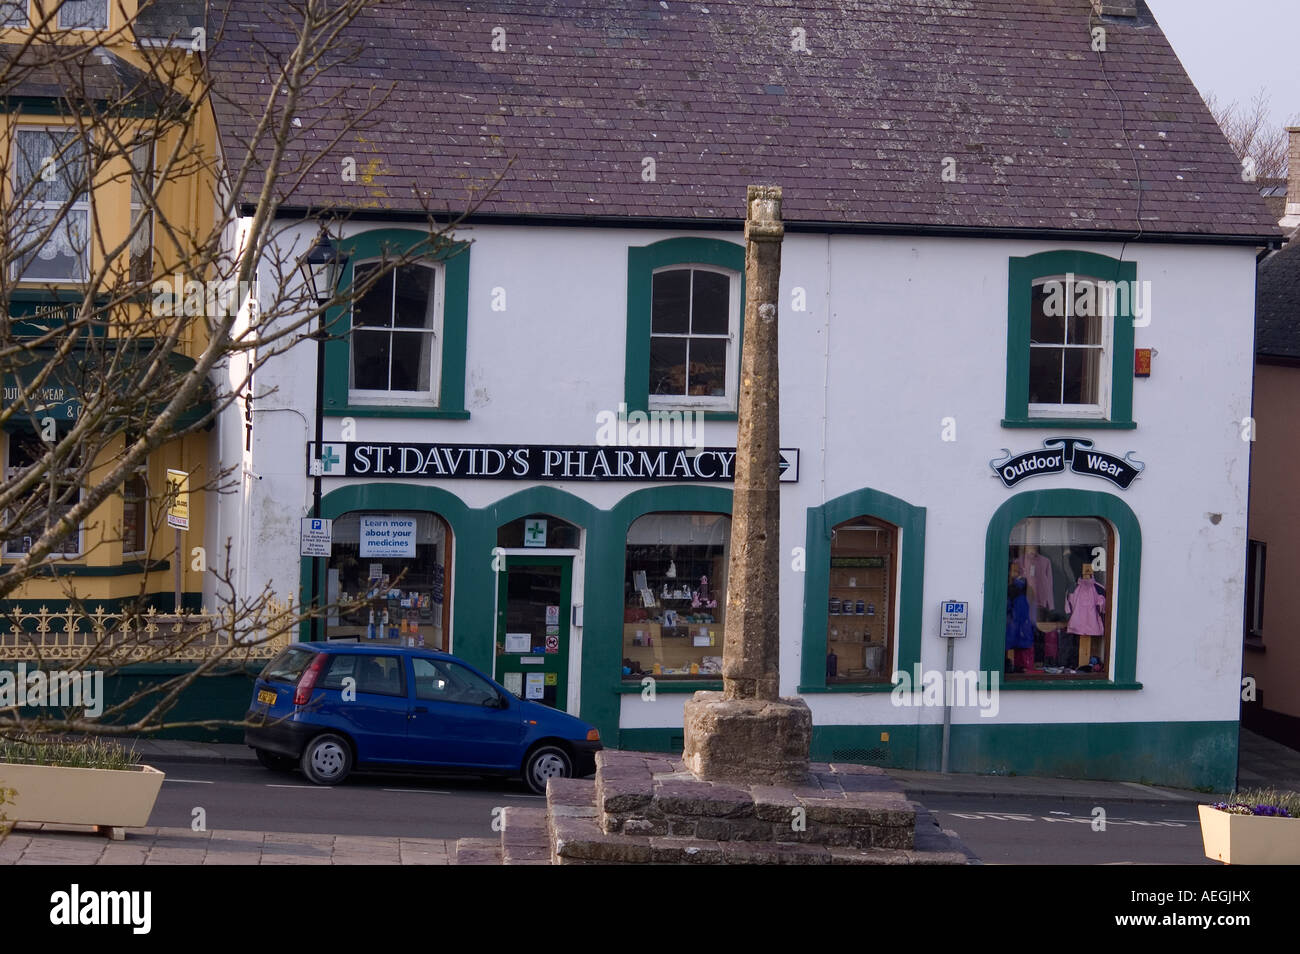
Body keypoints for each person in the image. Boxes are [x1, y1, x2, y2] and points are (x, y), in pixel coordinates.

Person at [1006, 563, 1036, 672]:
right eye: (1013, 571)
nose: (1014, 574)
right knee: (1021, 652)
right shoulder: (1027, 589)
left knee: (1016, 650)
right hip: (1021, 625)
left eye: (1016, 571)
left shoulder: (1014, 589)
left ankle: (1018, 669)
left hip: (1017, 625)